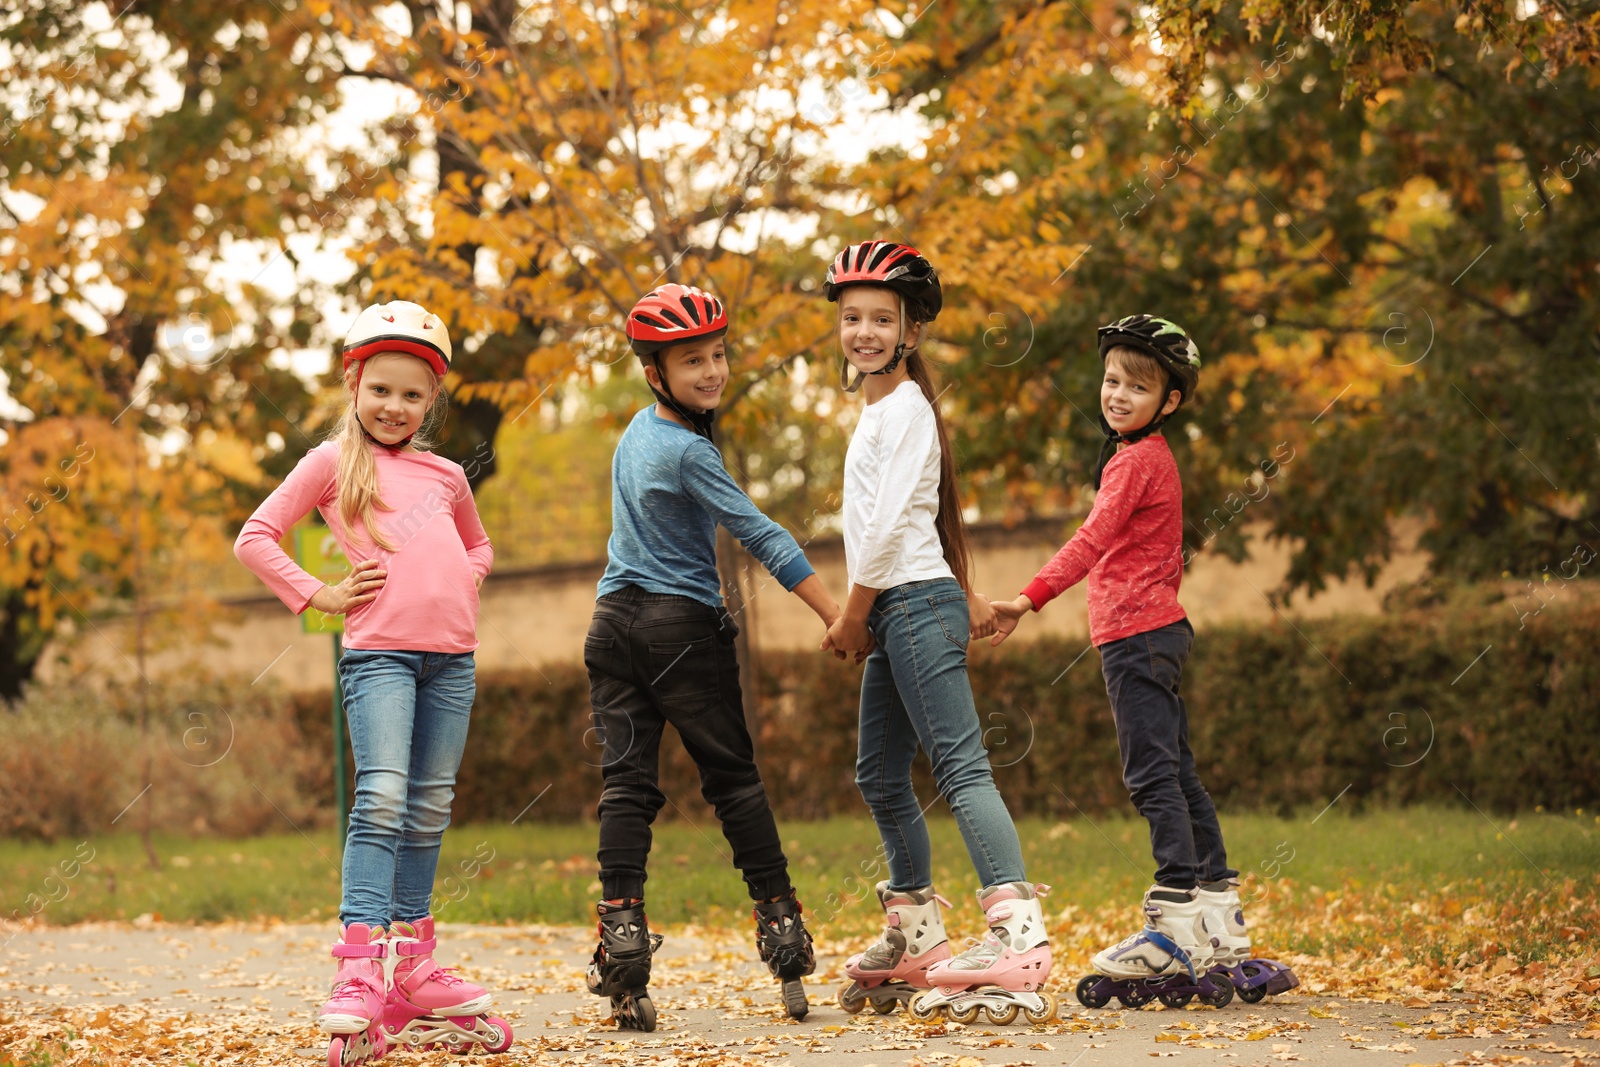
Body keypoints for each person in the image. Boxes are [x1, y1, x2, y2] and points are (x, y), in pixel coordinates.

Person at [234, 301, 512, 1063]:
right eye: (381, 389)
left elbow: (479, 545)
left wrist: (464, 577)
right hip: (380, 655)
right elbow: (255, 536)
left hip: (452, 657)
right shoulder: (330, 463)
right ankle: (360, 963)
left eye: (413, 395)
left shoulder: (449, 473)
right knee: (383, 793)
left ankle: (413, 961)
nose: (395, 406)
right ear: (354, 384)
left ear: (433, 401)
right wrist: (318, 593)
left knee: (428, 807)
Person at [582, 283, 844, 1028]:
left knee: (627, 787)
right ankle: (784, 932)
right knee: (732, 782)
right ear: (655, 372)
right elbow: (761, 533)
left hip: (611, 628)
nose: (712, 371)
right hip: (678, 631)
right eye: (692, 359)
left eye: (719, 354)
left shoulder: (636, 432)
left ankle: (623, 942)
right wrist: (834, 613)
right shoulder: (689, 451)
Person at [991, 314, 1270, 1006]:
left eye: (1137, 386)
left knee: (1151, 775)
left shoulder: (1137, 460)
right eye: (1112, 379)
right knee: (1178, 772)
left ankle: (1173, 917)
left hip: (1137, 637)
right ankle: (1217, 910)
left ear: (1168, 401)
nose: (1117, 394)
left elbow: (1091, 541)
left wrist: (1029, 598)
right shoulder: (1150, 458)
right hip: (1159, 632)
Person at [822, 241, 1055, 1027]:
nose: (864, 331)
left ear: (910, 333)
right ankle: (918, 932)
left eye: (882, 319)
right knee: (880, 775)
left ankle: (1017, 932)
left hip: (904, 604)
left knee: (960, 766)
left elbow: (890, 530)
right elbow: (920, 523)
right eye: (852, 317)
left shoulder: (909, 408)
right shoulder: (880, 412)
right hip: (911, 602)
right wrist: (967, 595)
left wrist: (854, 611)